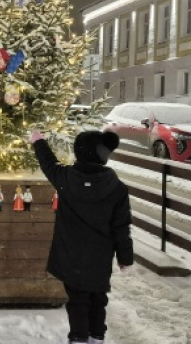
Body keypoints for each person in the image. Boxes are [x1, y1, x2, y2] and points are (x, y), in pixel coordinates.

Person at [30, 130, 133, 344]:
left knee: (77, 299)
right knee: (98, 298)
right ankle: (97, 337)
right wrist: (125, 257)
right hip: (100, 257)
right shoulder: (117, 188)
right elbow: (121, 227)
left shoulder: (65, 179)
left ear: (79, 152)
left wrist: (39, 142)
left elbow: (48, 163)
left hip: (71, 255)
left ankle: (78, 338)